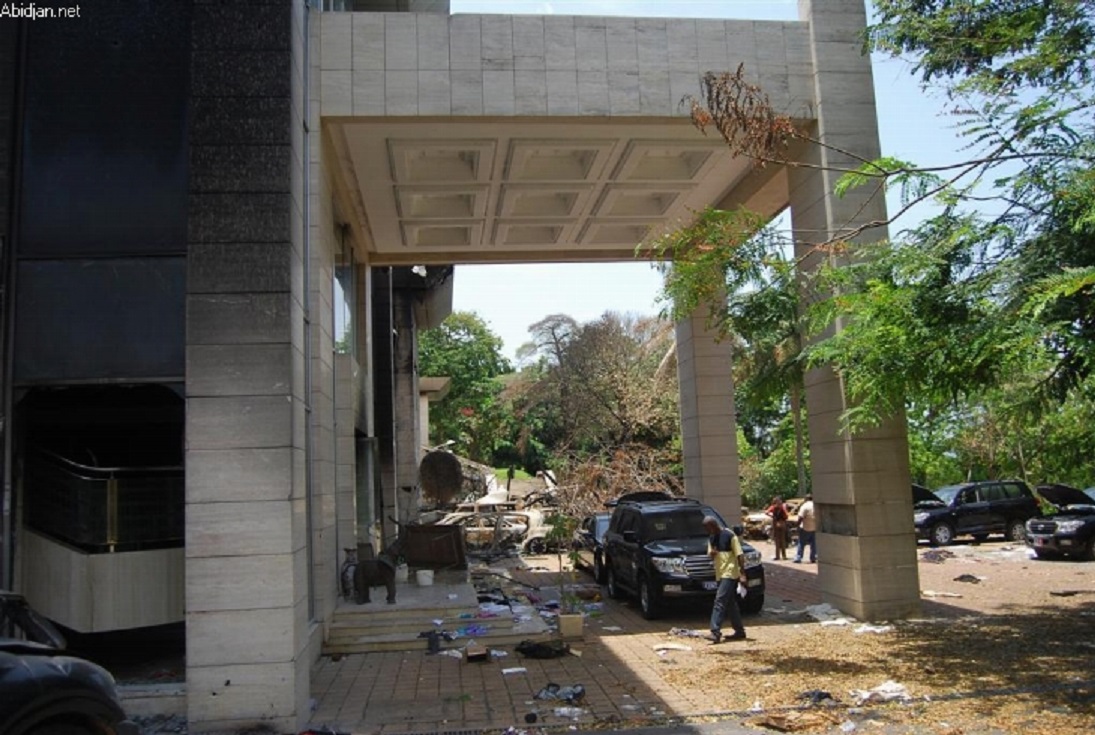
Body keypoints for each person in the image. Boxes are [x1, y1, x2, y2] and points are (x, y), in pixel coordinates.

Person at [702, 515, 747, 643]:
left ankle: (715, 632)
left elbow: (740, 555)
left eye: (708, 528)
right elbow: (710, 554)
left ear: (713, 525)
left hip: (730, 573)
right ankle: (739, 631)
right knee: (730, 603)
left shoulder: (729, 535)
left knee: (719, 600)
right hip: (719, 573)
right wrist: (712, 554)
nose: (707, 531)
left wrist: (742, 574)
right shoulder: (712, 538)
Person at [793, 494, 817, 563]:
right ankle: (813, 557)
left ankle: (798, 557)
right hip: (814, 527)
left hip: (805, 527)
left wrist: (797, 526)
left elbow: (800, 517)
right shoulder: (815, 505)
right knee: (814, 544)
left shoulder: (804, 506)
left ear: (806, 499)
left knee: (801, 543)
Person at [765, 496, 789, 560]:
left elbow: (766, 512)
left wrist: (772, 516)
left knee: (777, 541)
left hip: (775, 524)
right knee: (783, 540)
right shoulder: (782, 507)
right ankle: (784, 556)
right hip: (782, 524)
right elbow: (786, 516)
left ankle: (777, 556)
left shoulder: (773, 507)